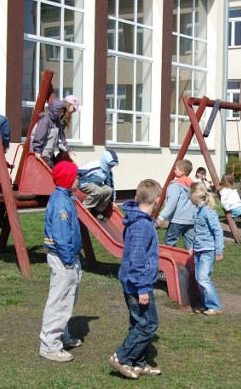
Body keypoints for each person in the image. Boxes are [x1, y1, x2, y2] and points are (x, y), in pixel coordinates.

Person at [109, 179, 163, 379]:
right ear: (157, 200)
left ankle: (138, 363)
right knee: (149, 324)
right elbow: (137, 258)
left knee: (137, 322)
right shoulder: (141, 225)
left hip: (135, 281)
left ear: (136, 198)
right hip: (137, 283)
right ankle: (121, 357)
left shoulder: (141, 221)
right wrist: (142, 287)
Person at [39, 161, 83, 362]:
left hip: (69, 257)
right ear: (68, 180)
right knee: (59, 301)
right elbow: (61, 234)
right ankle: (49, 345)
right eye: (77, 176)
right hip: (63, 258)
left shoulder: (66, 198)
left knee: (67, 299)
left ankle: (61, 336)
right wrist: (67, 260)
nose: (79, 179)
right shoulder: (61, 203)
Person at [189, 182, 224, 315]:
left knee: (203, 278)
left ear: (194, 195)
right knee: (200, 278)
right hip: (198, 249)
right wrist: (192, 246)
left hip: (208, 249)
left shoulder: (208, 211)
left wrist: (219, 250)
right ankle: (205, 305)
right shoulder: (197, 210)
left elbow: (218, 231)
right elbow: (196, 231)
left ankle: (215, 306)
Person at [156, 159, 196, 249]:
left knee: (169, 242)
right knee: (191, 244)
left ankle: (171, 261)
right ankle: (192, 262)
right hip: (190, 219)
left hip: (177, 220)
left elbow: (172, 203)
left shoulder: (175, 185)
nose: (174, 170)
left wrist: (162, 216)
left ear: (181, 172)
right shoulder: (193, 185)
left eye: (176, 169)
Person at [31, 98, 73, 168]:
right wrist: (37, 151)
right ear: (55, 111)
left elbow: (61, 138)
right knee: (54, 171)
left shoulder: (57, 123)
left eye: (63, 112)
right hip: (43, 154)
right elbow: (39, 137)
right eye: (60, 111)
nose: (62, 113)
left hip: (49, 154)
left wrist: (68, 149)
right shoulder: (45, 121)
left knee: (59, 168)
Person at [77, 150, 119, 220]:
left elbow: (110, 184)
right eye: (110, 164)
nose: (112, 166)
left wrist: (113, 200)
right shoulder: (94, 166)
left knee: (108, 190)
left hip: (96, 184)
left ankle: (98, 210)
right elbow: (79, 172)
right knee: (98, 190)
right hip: (84, 183)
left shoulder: (108, 170)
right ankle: (85, 208)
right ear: (105, 161)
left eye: (114, 164)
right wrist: (72, 183)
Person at [218, 174, 241, 243]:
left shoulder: (230, 189)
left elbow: (234, 198)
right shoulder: (224, 191)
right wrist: (227, 208)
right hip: (235, 207)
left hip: (238, 206)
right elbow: (223, 201)